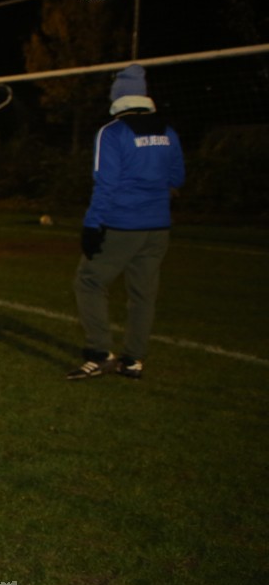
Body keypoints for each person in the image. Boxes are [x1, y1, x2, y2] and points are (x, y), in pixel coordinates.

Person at [68, 64, 184, 380]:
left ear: (117, 97)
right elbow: (177, 177)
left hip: (122, 224)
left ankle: (99, 352)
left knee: (89, 281)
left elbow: (105, 184)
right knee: (143, 294)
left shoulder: (113, 132)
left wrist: (93, 225)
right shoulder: (168, 132)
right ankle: (133, 360)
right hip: (158, 227)